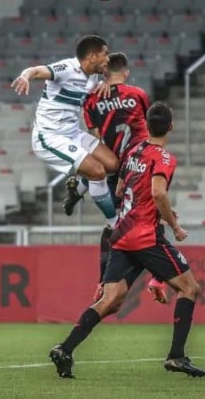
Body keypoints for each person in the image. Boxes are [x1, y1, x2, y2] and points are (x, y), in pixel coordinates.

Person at [48, 102, 205, 379]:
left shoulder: (133, 151)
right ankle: (176, 356)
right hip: (145, 236)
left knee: (112, 300)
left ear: (146, 126)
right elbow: (158, 193)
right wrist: (174, 224)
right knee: (189, 288)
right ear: (171, 126)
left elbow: (121, 189)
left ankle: (65, 349)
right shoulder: (165, 158)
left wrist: (148, 204)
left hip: (121, 234)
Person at [61, 52, 166, 303]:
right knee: (152, 219)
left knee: (113, 227)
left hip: (111, 165)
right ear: (126, 73)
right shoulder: (138, 94)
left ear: (105, 74)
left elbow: (95, 137)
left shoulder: (93, 99)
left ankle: (103, 281)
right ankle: (158, 278)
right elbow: (151, 126)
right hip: (136, 166)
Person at [10, 35, 120, 229]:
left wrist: (105, 83)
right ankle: (115, 224)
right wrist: (25, 76)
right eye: (105, 54)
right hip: (49, 137)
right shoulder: (67, 68)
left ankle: (77, 190)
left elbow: (101, 82)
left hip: (73, 132)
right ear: (92, 56)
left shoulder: (93, 75)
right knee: (97, 172)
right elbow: (36, 70)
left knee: (112, 164)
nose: (108, 59)